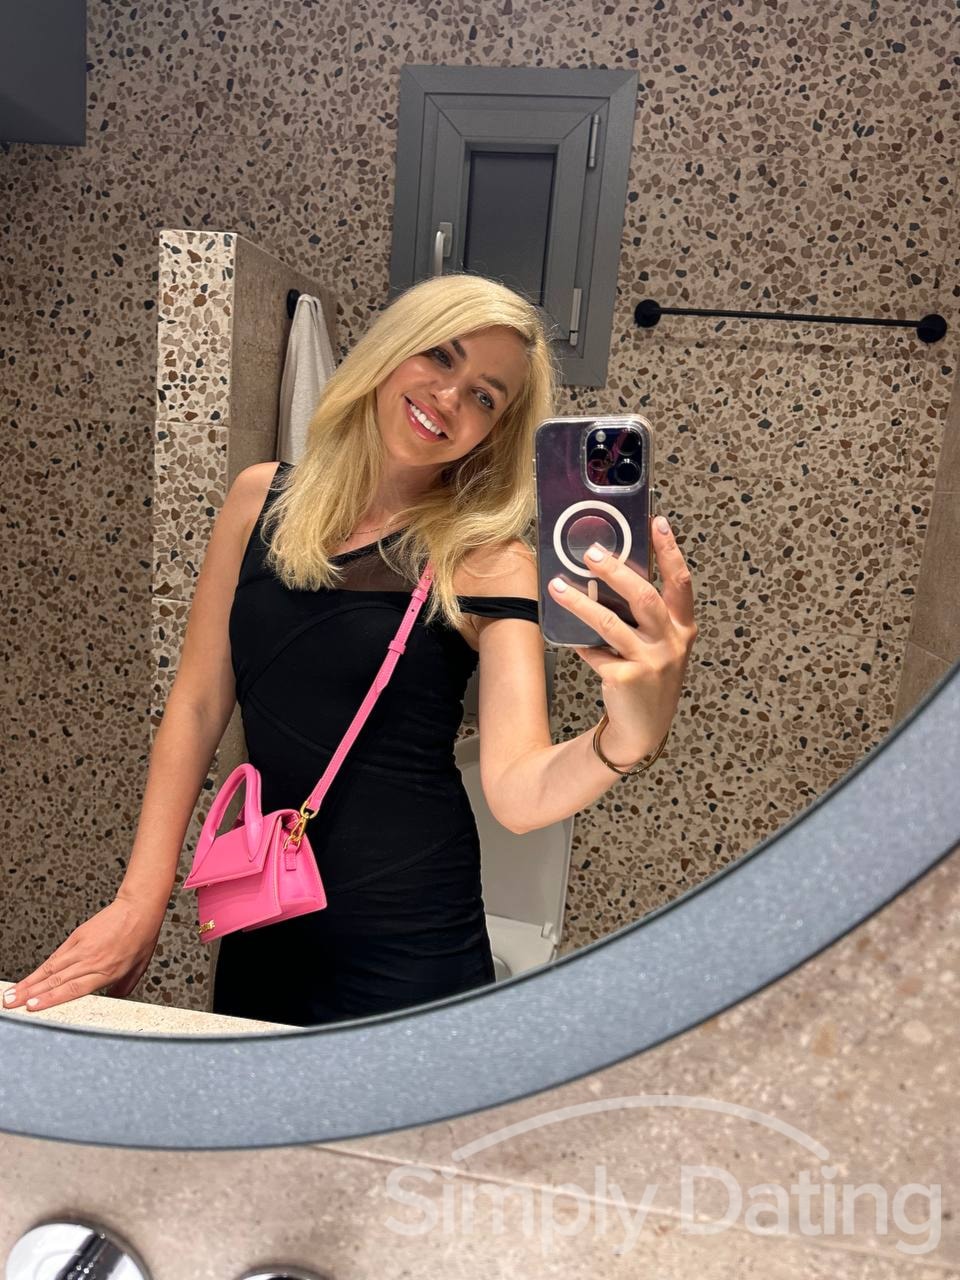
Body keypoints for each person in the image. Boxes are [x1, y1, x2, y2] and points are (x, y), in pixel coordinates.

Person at [3, 272, 697, 1027]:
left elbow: (518, 794)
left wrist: (628, 736)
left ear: (494, 432)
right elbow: (198, 706)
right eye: (440, 355)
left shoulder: (488, 561)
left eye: (485, 397)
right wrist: (139, 901)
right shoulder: (258, 500)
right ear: (393, 347)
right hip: (262, 919)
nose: (449, 398)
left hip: (411, 945)